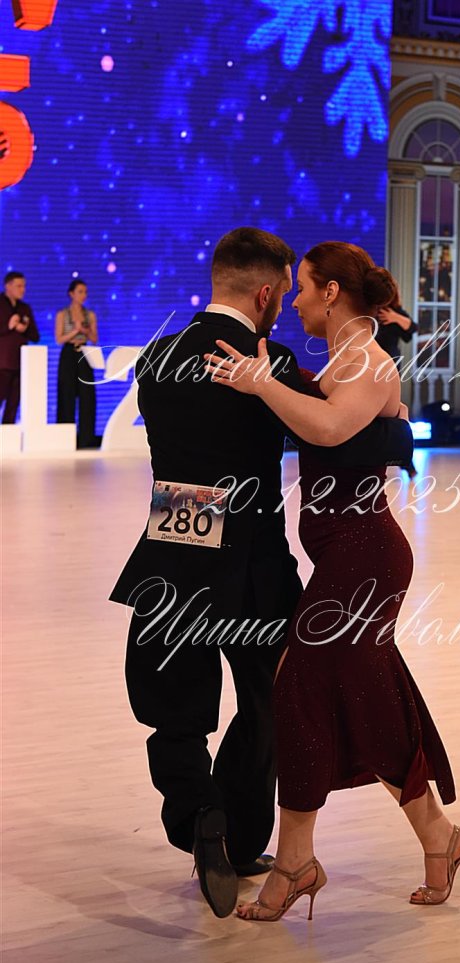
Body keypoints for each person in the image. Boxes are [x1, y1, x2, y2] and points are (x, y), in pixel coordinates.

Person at [108, 227, 413, 920]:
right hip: (253, 560)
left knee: (173, 711)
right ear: (268, 293)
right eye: (288, 294)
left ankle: (202, 815)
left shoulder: (156, 357)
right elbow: (335, 432)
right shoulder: (267, 365)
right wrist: (396, 420)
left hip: (173, 547)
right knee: (272, 699)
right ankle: (245, 838)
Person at [205, 241, 460, 922]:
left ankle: (296, 862)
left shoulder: (367, 362)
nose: (294, 299)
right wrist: (275, 378)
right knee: (367, 700)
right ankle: (438, 837)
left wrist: (264, 384)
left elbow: (328, 428)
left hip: (365, 560)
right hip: (347, 559)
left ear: (330, 292)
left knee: (297, 688)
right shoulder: (347, 359)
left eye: (302, 286)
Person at [376, 290, 418, 478]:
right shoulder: (367, 309)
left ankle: (406, 462)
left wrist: (394, 317)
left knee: (392, 412)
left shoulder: (393, 311)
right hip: (369, 364)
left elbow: (412, 328)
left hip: (390, 366)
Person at [55, 279, 98, 448]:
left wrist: (85, 330)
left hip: (85, 353)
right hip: (68, 353)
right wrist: (75, 330)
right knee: (67, 394)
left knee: (87, 395)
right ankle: (65, 438)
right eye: (80, 292)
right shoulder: (62, 314)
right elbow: (59, 338)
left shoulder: (90, 315)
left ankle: (86, 438)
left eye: (85, 292)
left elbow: (94, 338)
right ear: (71, 294)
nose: (83, 295)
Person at [0, 271, 39, 424]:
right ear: (8, 286)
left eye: (24, 286)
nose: (23, 289)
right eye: (19, 286)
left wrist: (25, 329)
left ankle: (7, 435)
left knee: (13, 405)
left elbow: (35, 336)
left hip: (20, 364)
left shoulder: (25, 308)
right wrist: (8, 326)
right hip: (2, 364)